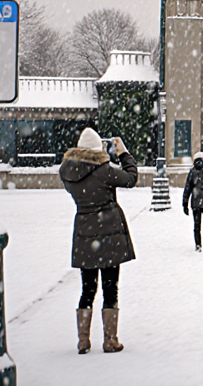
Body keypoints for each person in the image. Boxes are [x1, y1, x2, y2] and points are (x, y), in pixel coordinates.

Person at [59, 128, 137, 355]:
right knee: (110, 287)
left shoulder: (67, 173)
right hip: (109, 232)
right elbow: (131, 178)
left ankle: (83, 340)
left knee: (87, 288)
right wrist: (124, 154)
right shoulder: (104, 172)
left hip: (84, 234)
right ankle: (110, 340)